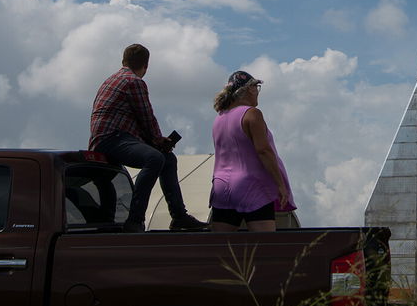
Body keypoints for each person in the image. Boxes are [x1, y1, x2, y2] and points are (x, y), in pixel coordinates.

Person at [89, 43, 207, 232]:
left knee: (167, 160)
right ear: (146, 65)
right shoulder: (133, 81)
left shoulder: (111, 80)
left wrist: (155, 142)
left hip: (106, 140)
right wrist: (159, 140)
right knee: (154, 158)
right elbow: (146, 116)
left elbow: (135, 120)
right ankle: (135, 219)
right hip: (112, 139)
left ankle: (179, 216)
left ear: (123, 61)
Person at [209, 70, 295, 232]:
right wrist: (280, 184)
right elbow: (263, 151)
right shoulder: (252, 114)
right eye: (257, 87)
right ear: (250, 89)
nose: (257, 92)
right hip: (251, 186)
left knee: (220, 246)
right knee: (265, 246)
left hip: (221, 186)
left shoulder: (219, 118)